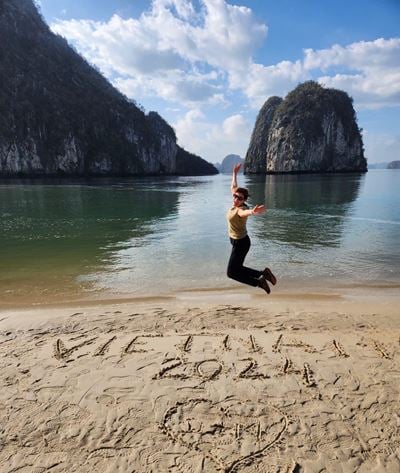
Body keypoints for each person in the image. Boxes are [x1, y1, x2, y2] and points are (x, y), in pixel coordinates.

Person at [226, 163, 277, 294]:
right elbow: (233, 187)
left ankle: (259, 281)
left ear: (243, 200)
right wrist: (234, 173)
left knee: (231, 273)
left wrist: (252, 212)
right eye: (235, 196)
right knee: (237, 269)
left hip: (241, 243)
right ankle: (264, 274)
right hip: (237, 242)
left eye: (239, 198)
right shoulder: (236, 201)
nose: (236, 199)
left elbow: (245, 213)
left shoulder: (241, 210)